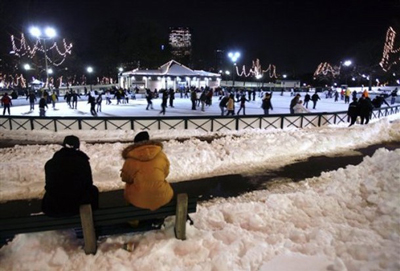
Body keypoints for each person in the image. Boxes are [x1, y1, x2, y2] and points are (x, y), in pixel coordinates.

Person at [42, 135, 99, 217]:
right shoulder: (82, 162)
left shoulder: (51, 163)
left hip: (54, 207)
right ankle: (93, 217)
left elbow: (49, 186)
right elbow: (88, 184)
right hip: (76, 207)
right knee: (93, 190)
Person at [120, 131, 173, 211]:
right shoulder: (160, 154)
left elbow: (125, 178)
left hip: (138, 201)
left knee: (128, 187)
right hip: (163, 197)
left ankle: (133, 220)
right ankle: (159, 216)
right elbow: (166, 172)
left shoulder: (130, 159)